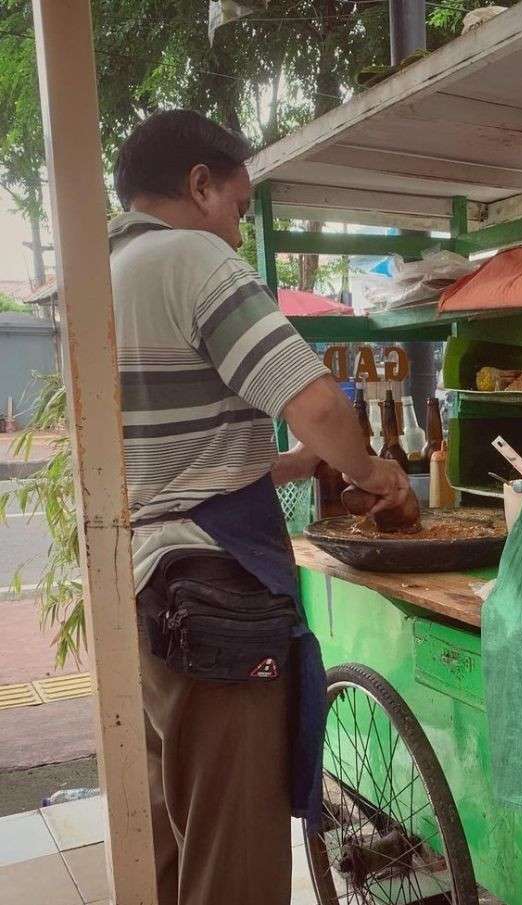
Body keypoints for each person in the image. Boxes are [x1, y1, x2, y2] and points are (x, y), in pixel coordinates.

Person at [108, 109, 410, 905]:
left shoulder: (102, 272)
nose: (239, 233)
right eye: (240, 208)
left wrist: (286, 467)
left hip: (145, 588)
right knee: (236, 858)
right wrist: (373, 469)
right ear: (199, 185)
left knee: (175, 835)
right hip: (214, 598)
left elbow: (175, 463)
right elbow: (315, 400)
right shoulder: (193, 258)